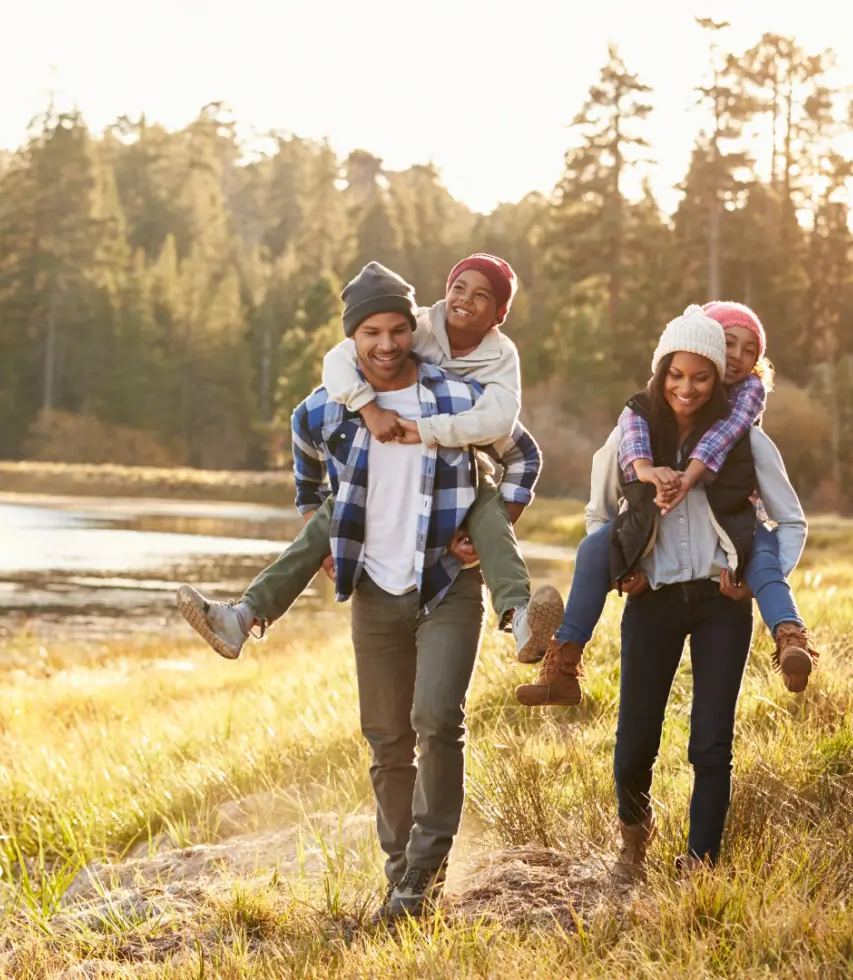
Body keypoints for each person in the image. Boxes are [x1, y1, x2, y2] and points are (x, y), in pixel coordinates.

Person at [188, 263, 543, 919]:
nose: (385, 344)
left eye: (398, 330)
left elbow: (521, 448)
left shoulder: (454, 395)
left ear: (416, 331)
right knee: (386, 740)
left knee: (437, 721)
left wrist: (507, 510)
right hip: (376, 589)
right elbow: (302, 435)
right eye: (370, 332)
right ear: (352, 339)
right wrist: (315, 521)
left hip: (445, 582)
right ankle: (404, 877)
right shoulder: (334, 401)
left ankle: (426, 866)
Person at [176, 254, 562, 667]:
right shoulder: (418, 328)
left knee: (487, 509)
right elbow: (338, 361)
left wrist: (492, 520)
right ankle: (243, 617)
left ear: (499, 314)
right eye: (459, 288)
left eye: (482, 295)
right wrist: (366, 407)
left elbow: (507, 426)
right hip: (379, 476)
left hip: (463, 470)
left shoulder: (499, 360)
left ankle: (519, 617)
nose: (387, 343)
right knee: (333, 513)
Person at [581, 307, 807, 878]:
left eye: (702, 376)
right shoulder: (632, 435)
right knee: (635, 739)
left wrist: (756, 580)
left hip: (719, 604)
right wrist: (621, 569)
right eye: (677, 375)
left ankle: (701, 861)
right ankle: (634, 838)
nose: (687, 387)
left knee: (711, 742)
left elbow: (792, 523)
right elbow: (597, 515)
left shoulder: (746, 441)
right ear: (663, 372)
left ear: (716, 379)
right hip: (651, 601)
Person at [515, 300, 818, 709]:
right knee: (593, 549)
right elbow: (614, 471)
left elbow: (726, 441)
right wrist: (626, 560)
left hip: (735, 531)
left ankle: (790, 636)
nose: (738, 358)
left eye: (750, 351)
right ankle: (563, 662)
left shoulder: (744, 410)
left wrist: (688, 477)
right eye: (729, 344)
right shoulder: (642, 412)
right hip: (651, 559)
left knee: (763, 557)